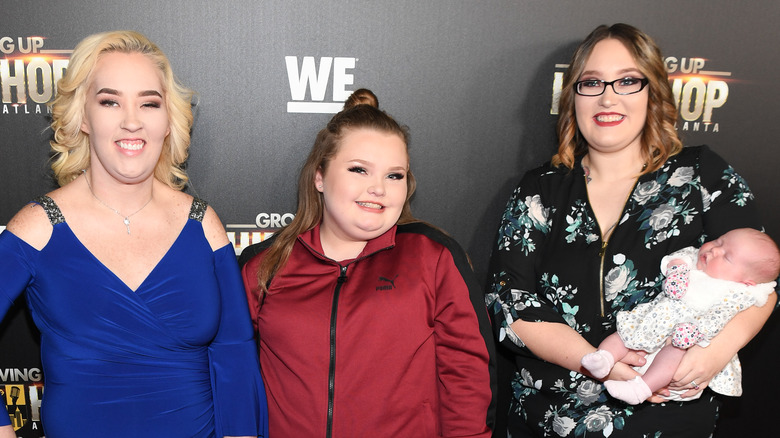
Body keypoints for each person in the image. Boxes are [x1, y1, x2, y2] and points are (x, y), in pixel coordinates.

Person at [485, 23, 776, 437]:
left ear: (652, 92)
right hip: (548, 417)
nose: (608, 97)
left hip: (669, 418)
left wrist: (716, 353)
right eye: (592, 82)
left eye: (627, 81)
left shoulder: (702, 174)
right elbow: (508, 299)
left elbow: (761, 286)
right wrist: (598, 364)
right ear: (573, 97)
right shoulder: (541, 188)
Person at [0, 31, 267, 437]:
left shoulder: (202, 223)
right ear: (83, 117)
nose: (132, 120)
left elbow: (234, 353)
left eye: (149, 102)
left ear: (167, 119)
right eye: (110, 101)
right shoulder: (39, 227)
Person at [239, 88, 496, 437]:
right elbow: (232, 375)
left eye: (394, 175)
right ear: (319, 176)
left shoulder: (433, 257)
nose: (378, 188)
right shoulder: (263, 265)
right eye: (359, 169)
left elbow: (467, 378)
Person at [582, 228, 780, 404]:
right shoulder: (695, 258)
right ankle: (603, 358)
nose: (714, 250)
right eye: (719, 241)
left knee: (674, 353)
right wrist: (677, 269)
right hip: (657, 318)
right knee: (625, 333)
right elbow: (680, 256)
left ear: (747, 282)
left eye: (727, 257)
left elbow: (718, 317)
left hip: (687, 335)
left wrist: (696, 331)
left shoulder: (737, 293)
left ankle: (640, 388)